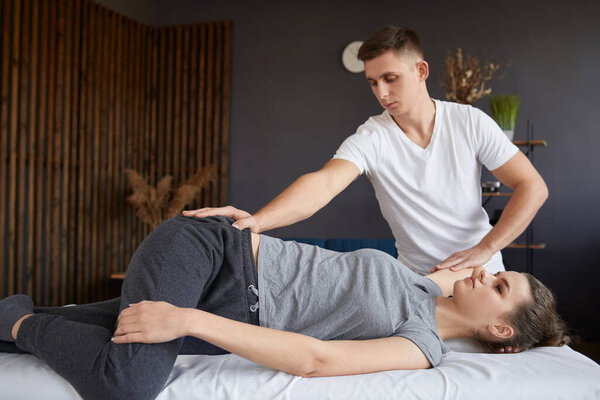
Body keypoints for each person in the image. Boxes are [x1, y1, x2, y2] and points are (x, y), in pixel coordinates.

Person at [1, 216, 568, 400]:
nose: (484, 273)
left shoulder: (422, 344)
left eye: (499, 286)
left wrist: (190, 322)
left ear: (498, 328)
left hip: (218, 311)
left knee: (74, 327)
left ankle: (16, 317)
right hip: (213, 252)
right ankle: (23, 322)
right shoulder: (428, 284)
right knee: (129, 383)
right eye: (496, 272)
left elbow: (315, 360)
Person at [183, 26, 549, 276]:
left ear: (421, 71)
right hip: (418, 284)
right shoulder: (373, 137)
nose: (382, 92)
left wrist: (486, 249)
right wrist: (258, 222)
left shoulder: (468, 121)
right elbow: (323, 184)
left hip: (483, 276)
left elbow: (532, 186)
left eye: (391, 78)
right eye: (373, 82)